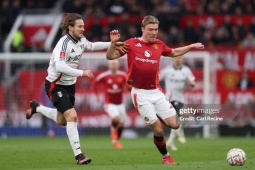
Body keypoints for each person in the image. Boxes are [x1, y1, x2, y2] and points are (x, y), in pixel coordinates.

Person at [25, 13, 127, 165]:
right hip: (55, 84)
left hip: (69, 86)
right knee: (72, 116)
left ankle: (37, 107)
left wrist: (111, 43)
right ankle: (79, 156)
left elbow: (92, 46)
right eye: (80, 26)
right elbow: (59, 66)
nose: (83, 29)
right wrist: (82, 73)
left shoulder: (81, 41)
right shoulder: (63, 43)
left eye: (83, 26)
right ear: (70, 27)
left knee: (62, 120)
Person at [106, 15, 204, 165]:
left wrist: (191, 47)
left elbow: (175, 52)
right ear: (143, 29)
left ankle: (157, 116)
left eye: (156, 30)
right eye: (150, 29)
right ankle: (166, 156)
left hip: (156, 92)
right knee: (158, 131)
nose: (154, 32)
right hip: (140, 94)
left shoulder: (159, 44)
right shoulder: (132, 43)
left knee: (176, 124)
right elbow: (110, 56)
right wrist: (113, 43)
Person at [159, 55, 196, 151]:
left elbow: (192, 82)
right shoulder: (167, 71)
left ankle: (171, 141)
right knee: (183, 116)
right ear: (172, 59)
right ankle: (180, 132)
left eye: (179, 58)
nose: (177, 59)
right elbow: (157, 79)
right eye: (176, 58)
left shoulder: (186, 70)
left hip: (180, 99)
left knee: (179, 121)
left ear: (182, 59)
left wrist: (191, 83)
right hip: (170, 99)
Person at [93, 59, 128, 149]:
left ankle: (116, 140)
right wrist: (96, 95)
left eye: (115, 64)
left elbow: (128, 86)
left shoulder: (123, 75)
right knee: (116, 118)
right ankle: (114, 138)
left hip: (120, 104)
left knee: (121, 125)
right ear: (109, 66)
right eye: (111, 64)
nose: (113, 66)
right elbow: (95, 82)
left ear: (118, 65)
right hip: (109, 104)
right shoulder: (104, 76)